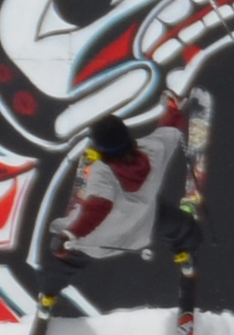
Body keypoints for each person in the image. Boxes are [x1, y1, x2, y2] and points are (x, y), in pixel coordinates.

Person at [50, 108, 188, 267]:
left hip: (99, 241)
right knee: (182, 227)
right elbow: (170, 128)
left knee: (64, 262)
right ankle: (185, 257)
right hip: (143, 223)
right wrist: (173, 109)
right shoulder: (156, 149)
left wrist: (70, 234)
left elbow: (97, 208)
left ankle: (48, 290)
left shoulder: (102, 174)